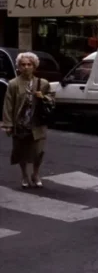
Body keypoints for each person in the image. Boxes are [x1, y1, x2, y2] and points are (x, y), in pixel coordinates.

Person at [2, 52, 53, 188]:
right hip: (20, 124)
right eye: (23, 65)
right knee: (21, 152)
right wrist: (8, 124)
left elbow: (52, 100)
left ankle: (35, 174)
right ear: (18, 67)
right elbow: (8, 104)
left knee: (38, 151)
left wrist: (42, 96)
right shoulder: (13, 84)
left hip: (37, 123)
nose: (26, 67)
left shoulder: (43, 83)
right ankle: (24, 174)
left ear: (34, 66)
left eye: (29, 64)